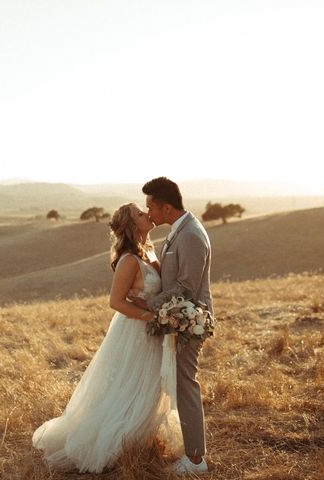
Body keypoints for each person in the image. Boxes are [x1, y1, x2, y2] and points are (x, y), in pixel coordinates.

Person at [32, 203, 183, 473]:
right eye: (139, 213)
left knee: (148, 384)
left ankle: (140, 439)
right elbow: (116, 302)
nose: (146, 214)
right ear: (130, 224)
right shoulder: (128, 259)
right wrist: (154, 318)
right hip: (135, 331)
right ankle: (117, 443)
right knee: (128, 383)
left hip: (152, 330)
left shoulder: (148, 250)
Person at [131, 177, 213, 475]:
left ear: (166, 207)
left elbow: (186, 287)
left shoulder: (190, 235)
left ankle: (195, 460)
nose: (148, 212)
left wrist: (149, 305)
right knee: (178, 383)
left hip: (190, 321)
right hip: (177, 319)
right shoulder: (178, 232)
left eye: (150, 206)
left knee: (186, 384)